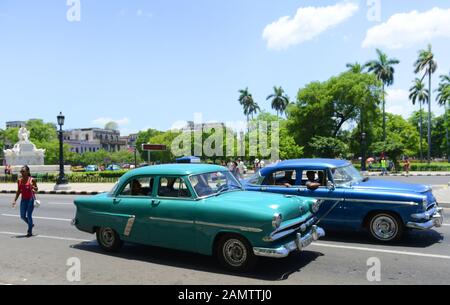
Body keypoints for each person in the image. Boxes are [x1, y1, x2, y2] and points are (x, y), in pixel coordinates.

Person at [12, 165, 38, 237]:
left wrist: (33, 187)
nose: (22, 173)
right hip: (23, 200)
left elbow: (36, 189)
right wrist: (14, 200)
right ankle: (31, 224)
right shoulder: (19, 181)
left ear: (27, 171)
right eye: (21, 171)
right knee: (22, 216)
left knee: (29, 215)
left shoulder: (32, 180)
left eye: (23, 171)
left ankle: (29, 231)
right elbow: (18, 191)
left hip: (30, 200)